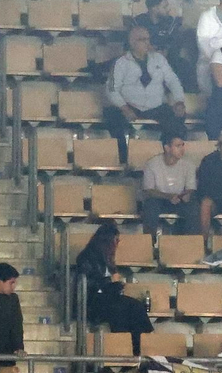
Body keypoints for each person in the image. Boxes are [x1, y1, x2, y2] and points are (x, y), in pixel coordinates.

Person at [105, 25, 186, 164]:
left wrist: (179, 101)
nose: (147, 43)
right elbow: (111, 89)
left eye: (148, 39)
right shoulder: (121, 63)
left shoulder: (159, 59)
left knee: (177, 120)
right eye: (143, 40)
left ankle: (166, 156)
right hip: (130, 106)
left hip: (156, 106)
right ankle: (123, 159)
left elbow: (173, 80)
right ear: (132, 42)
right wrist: (123, 107)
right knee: (112, 116)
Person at [74, 221, 153, 354]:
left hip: (109, 298)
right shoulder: (86, 257)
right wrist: (110, 281)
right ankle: (124, 348)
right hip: (93, 303)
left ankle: (143, 344)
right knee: (121, 310)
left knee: (136, 307)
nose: (117, 244)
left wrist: (116, 285)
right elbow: (88, 284)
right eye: (116, 240)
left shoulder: (107, 258)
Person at [140, 132, 198, 233]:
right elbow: (148, 190)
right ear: (167, 148)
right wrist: (168, 196)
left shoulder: (188, 165)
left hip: (179, 200)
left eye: (182, 145)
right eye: (178, 146)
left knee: (194, 208)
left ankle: (190, 243)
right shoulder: (152, 164)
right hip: (159, 200)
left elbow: (190, 188)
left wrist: (186, 195)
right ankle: (149, 243)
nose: (182, 149)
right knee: (150, 207)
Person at [131, 0, 190, 83]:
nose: (168, 9)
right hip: (142, 60)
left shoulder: (171, 22)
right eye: (165, 6)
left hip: (166, 61)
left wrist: (164, 51)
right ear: (154, 8)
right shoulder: (138, 22)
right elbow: (131, 46)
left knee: (184, 66)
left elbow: (175, 46)